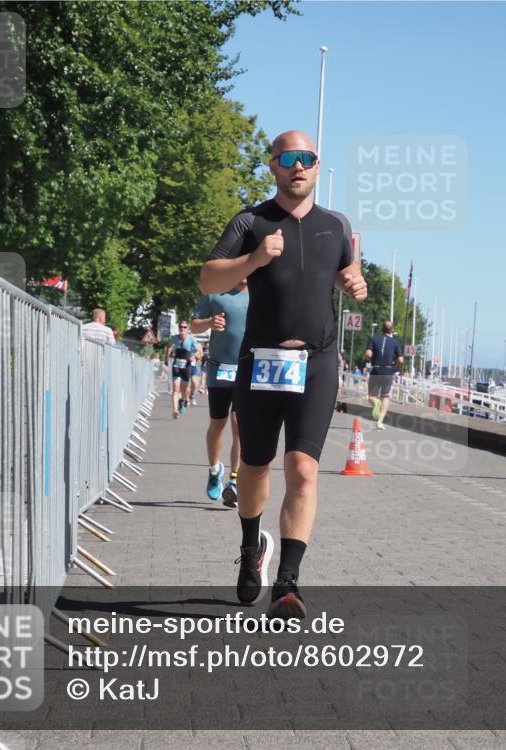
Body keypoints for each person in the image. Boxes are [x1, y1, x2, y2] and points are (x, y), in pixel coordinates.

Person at [199, 130, 367, 619]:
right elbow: (209, 279)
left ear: (316, 167)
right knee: (253, 467)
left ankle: (289, 585)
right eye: (289, 158)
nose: (299, 167)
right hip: (262, 361)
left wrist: (353, 281)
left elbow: (342, 272)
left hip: (316, 363)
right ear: (273, 165)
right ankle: (251, 547)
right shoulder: (251, 221)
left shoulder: (335, 225)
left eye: (308, 159)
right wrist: (254, 259)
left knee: (303, 468)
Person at [191, 281, 249, 506]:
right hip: (219, 369)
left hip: (246, 370)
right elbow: (194, 325)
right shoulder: (214, 293)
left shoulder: (260, 292)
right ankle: (215, 470)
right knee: (217, 424)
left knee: (239, 424)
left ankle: (234, 481)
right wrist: (209, 322)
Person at [364, 321, 404, 430]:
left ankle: (375, 402)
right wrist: (393, 366)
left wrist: (371, 359)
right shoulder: (395, 342)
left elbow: (368, 354)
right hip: (387, 372)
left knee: (371, 396)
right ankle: (380, 421)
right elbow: (401, 360)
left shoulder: (373, 339)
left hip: (376, 370)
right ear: (392, 330)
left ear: (382, 329)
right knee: (385, 396)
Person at [167, 322, 200, 419]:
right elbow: (168, 346)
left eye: (185, 327)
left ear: (187, 329)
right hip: (176, 365)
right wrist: (167, 356)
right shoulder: (174, 338)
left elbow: (198, 350)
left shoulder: (191, 339)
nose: (182, 328)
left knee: (184, 390)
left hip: (187, 366)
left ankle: (183, 401)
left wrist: (194, 356)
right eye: (181, 326)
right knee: (175, 388)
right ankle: (175, 409)